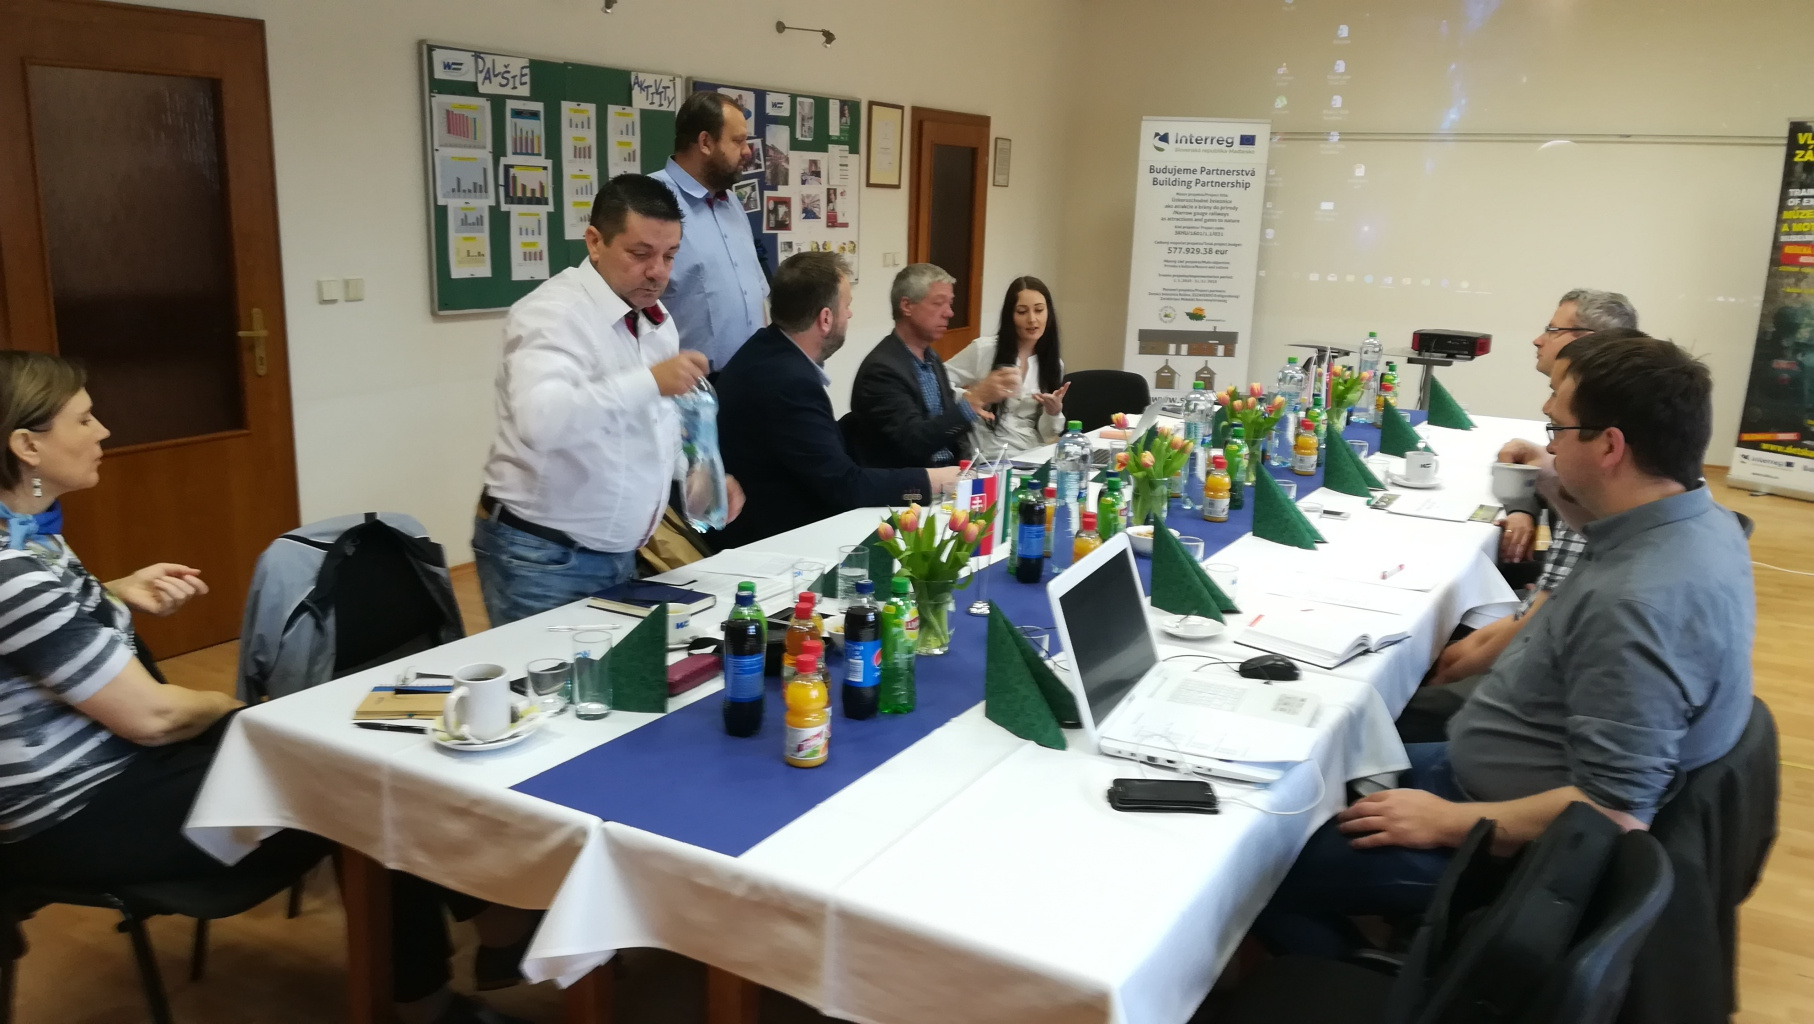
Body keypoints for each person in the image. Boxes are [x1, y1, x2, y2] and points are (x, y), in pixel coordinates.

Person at [0, 353, 535, 1024]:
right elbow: (153, 718)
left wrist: (113, 593)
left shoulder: (28, 541)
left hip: (124, 767)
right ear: (27, 446)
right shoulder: (13, 569)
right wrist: (240, 710)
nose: (103, 430)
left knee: (360, 747)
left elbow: (37, 628)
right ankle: (447, 983)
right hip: (78, 810)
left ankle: (489, 934)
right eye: (83, 419)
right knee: (364, 785)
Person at [1256, 334, 1753, 959]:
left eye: (1558, 431)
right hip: (1491, 774)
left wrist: (1444, 823)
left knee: (1259, 869)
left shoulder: (1639, 605)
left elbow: (1615, 813)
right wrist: (1551, 481)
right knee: (1309, 769)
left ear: (1610, 446)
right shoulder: (1695, 521)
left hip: (1498, 831)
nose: (1551, 446)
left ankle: (1353, 982)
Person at [473, 174, 743, 626]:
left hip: (620, 553)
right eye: (640, 254)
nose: (658, 271)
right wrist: (650, 381)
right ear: (595, 243)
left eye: (669, 255)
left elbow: (653, 423)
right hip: (543, 556)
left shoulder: (655, 320)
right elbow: (541, 421)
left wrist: (697, 475)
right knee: (551, 673)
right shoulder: (552, 315)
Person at [712, 253, 962, 547]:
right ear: (826, 319)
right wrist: (932, 483)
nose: (850, 315)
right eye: (847, 306)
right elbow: (845, 487)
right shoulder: (791, 382)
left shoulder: (764, 348)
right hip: (775, 539)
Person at [846, 264, 1020, 469]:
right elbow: (915, 443)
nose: (950, 313)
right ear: (907, 306)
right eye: (938, 303)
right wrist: (975, 400)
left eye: (950, 303)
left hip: (949, 473)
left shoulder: (931, 359)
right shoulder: (881, 370)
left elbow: (946, 431)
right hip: (910, 483)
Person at [651, 91, 768, 371]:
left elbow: (755, 296)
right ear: (705, 142)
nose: (748, 151)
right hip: (689, 384)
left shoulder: (732, 204)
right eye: (738, 141)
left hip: (750, 377)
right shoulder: (650, 200)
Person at [944, 276, 1072, 457]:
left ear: (1048, 313)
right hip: (989, 455)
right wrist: (973, 397)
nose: (1032, 319)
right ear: (1010, 315)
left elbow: (1047, 435)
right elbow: (938, 381)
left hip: (1032, 453)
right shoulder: (984, 350)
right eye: (1022, 312)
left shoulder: (1053, 363)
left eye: (1039, 310)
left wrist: (1053, 412)